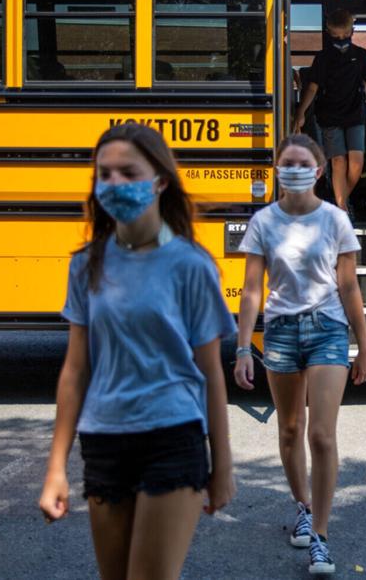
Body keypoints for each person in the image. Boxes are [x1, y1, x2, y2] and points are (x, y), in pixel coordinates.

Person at [38, 123, 237, 579]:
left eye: (128, 172)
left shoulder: (191, 264)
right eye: (103, 174)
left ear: (160, 180)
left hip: (173, 437)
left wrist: (222, 465)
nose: (113, 184)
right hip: (104, 441)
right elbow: (75, 371)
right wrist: (56, 469)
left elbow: (210, 372)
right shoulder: (86, 263)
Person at [233, 133, 366, 576]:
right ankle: (302, 506)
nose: (294, 168)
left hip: (328, 329)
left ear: (317, 171)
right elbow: (252, 289)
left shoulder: (335, 220)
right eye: (286, 162)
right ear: (277, 169)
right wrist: (242, 348)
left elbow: (349, 285)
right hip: (279, 332)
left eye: (302, 163)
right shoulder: (263, 222)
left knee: (322, 435)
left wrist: (365, 346)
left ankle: (321, 537)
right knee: (290, 430)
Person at [292, 9, 366, 216]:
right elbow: (312, 88)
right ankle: (341, 209)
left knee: (356, 164)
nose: (341, 40)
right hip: (329, 115)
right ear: (328, 32)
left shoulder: (361, 55)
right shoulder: (323, 58)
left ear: (352, 31)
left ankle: (340, 201)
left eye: (345, 35)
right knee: (338, 162)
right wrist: (301, 113)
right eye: (335, 37)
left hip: (355, 114)